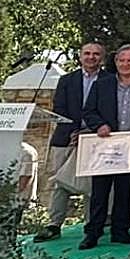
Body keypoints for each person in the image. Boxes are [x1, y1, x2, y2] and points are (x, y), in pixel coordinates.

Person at [80, 45, 130, 249]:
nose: (125, 64)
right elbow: (89, 111)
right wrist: (99, 125)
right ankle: (93, 233)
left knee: (125, 190)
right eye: (121, 60)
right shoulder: (102, 84)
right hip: (104, 147)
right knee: (100, 192)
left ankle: (121, 231)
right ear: (115, 62)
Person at [35, 41, 105, 242]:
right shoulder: (67, 80)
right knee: (60, 181)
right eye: (87, 53)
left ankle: (91, 226)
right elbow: (60, 108)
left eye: (96, 54)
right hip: (66, 138)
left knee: (94, 185)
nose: (91, 57)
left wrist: (89, 131)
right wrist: (75, 131)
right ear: (80, 56)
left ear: (102, 58)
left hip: (95, 139)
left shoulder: (109, 80)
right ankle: (54, 225)